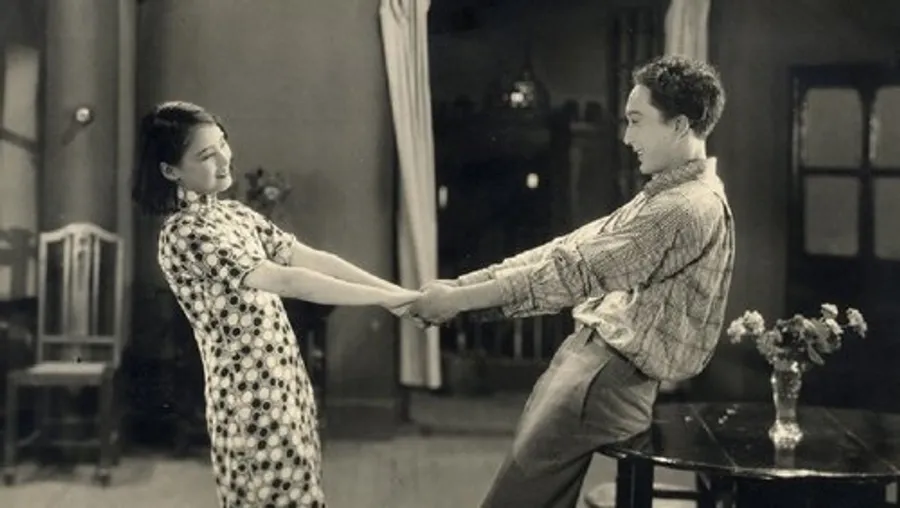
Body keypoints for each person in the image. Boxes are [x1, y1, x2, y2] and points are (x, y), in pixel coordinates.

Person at [411, 55, 735, 508]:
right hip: (591, 366)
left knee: (513, 503)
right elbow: (564, 250)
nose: (627, 137)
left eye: (636, 121)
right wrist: (460, 288)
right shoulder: (668, 194)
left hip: (607, 377)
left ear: (680, 125)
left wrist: (459, 300)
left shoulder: (682, 207)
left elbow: (571, 273)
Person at [132, 101, 420, 508]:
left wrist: (399, 295)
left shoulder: (235, 215)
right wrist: (389, 300)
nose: (224, 159)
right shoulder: (184, 234)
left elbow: (313, 259)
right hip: (248, 398)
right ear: (170, 171)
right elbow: (286, 279)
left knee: (301, 493)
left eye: (223, 144)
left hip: (284, 379)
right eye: (206, 154)